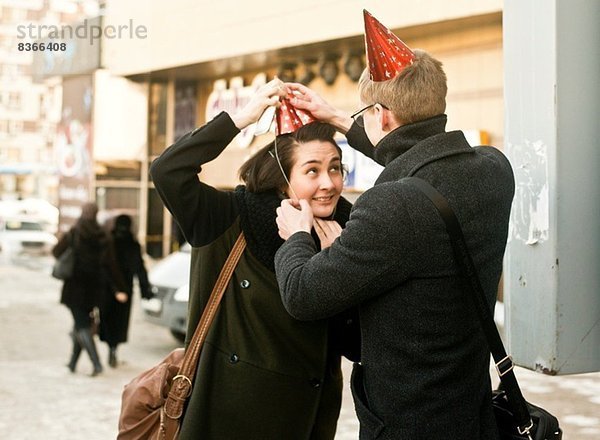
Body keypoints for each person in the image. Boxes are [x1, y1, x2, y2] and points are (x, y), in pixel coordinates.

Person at [273, 11, 515, 440]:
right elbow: (421, 156)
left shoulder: (391, 206)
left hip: (409, 422)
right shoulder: (494, 170)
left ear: (382, 115)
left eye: (367, 112)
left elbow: (302, 294)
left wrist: (296, 236)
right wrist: (336, 117)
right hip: (471, 409)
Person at [149, 78, 359, 439]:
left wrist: (337, 268)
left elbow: (355, 344)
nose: (329, 183)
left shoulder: (349, 229)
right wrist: (241, 119)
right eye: (312, 170)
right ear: (282, 180)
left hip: (307, 420)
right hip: (226, 418)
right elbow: (167, 171)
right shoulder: (228, 217)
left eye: (335, 168)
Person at [52, 202, 127, 376]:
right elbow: (111, 264)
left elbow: (56, 252)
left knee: (81, 324)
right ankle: (72, 363)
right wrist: (120, 287)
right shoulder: (104, 235)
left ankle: (97, 364)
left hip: (74, 288)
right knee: (81, 324)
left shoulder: (73, 232)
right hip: (95, 290)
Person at [99, 214, 152, 368]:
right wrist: (145, 290)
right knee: (119, 322)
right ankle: (114, 350)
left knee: (108, 320)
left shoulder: (108, 241)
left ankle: (110, 349)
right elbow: (140, 269)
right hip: (125, 289)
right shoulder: (133, 244)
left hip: (107, 289)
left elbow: (102, 266)